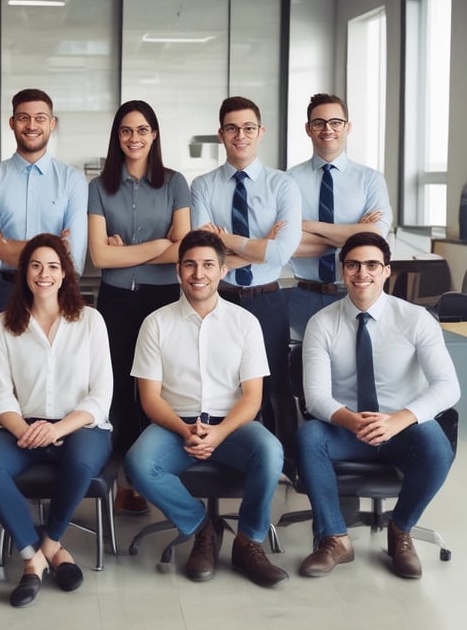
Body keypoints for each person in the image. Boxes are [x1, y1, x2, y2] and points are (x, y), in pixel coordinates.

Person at [125, 230, 288, 588]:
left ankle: (249, 541)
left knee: (271, 452)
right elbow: (150, 397)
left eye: (208, 265)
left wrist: (220, 431)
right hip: (174, 425)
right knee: (138, 464)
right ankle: (203, 528)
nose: (199, 273)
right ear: (178, 271)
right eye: (190, 265)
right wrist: (185, 431)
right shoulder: (156, 323)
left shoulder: (245, 323)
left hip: (233, 424)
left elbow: (252, 397)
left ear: (223, 271)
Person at [297, 231, 459, 580]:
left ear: (387, 271)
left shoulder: (416, 319)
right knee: (310, 436)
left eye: (372, 265)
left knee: (436, 443)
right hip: (345, 429)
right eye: (353, 265)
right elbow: (316, 397)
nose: (362, 273)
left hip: (402, 429)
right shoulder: (321, 324)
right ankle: (335, 538)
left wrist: (398, 420)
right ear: (343, 270)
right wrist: (353, 422)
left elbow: (448, 387)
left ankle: (400, 530)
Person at [0, 233, 112, 608]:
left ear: (66, 274)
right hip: (23, 424)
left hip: (80, 424)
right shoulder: (3, 325)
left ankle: (49, 544)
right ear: (24, 273)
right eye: (35, 266)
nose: (44, 274)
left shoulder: (90, 321)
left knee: (81, 460)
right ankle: (34, 557)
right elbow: (0, 397)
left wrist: (57, 429)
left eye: (53, 266)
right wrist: (27, 431)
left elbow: (100, 397)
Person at [88, 100, 190, 515]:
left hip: (163, 300)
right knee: (117, 394)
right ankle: (121, 481)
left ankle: (152, 475)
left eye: (143, 130)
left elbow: (183, 249)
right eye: (127, 131)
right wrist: (156, 246)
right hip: (116, 300)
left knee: (158, 390)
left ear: (154, 135)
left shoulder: (175, 182)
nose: (135, 138)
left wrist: (125, 251)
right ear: (117, 136)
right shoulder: (99, 187)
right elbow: (99, 257)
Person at [191, 95, 301, 450]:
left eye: (248, 127)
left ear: (261, 132)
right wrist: (260, 245)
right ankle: (231, 454)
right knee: (223, 383)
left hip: (267, 299)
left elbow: (282, 251)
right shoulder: (203, 186)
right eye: (232, 128)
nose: (241, 135)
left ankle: (284, 459)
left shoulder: (283, 185)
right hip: (218, 300)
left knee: (275, 384)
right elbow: (205, 253)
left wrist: (230, 241)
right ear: (221, 134)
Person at [0, 88, 88, 326]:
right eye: (24, 117)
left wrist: (6, 246)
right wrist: (54, 247)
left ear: (52, 123)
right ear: (12, 123)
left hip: (56, 293)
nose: (32, 125)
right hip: (2, 292)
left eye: (40, 118)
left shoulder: (72, 179)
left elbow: (73, 258)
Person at [287, 93, 392, 338]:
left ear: (348, 127)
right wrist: (354, 232)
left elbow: (375, 238)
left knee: (357, 368)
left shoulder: (370, 180)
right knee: (303, 370)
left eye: (336, 122)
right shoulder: (288, 181)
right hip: (305, 295)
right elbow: (288, 242)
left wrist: (306, 225)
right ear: (308, 129)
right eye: (319, 123)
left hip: (357, 292)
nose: (327, 129)